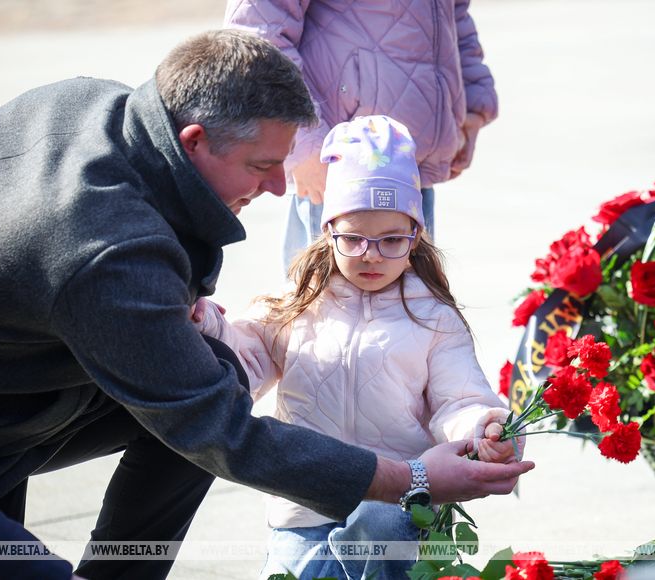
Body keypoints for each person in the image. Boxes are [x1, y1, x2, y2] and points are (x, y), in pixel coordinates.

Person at [0, 30, 533, 580]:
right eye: (262, 166)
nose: (280, 188)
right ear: (194, 141)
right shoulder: (107, 253)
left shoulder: (93, 110)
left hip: (3, 393)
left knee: (212, 374)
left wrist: (481, 425)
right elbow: (219, 427)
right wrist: (411, 479)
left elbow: (458, 394)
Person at [194, 115, 520, 580]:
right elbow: (244, 359)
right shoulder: (297, 302)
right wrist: (208, 324)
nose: (371, 254)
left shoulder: (433, 317)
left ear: (415, 237)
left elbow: (459, 399)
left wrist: (484, 427)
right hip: (305, 502)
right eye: (353, 238)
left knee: (378, 526)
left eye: (391, 240)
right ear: (328, 231)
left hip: (398, 500)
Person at [223, 0, 498, 271]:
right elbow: (256, 30)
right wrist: (305, 142)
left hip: (411, 165)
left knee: (412, 296)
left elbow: (455, 15)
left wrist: (471, 106)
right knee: (326, 298)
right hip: (339, 171)